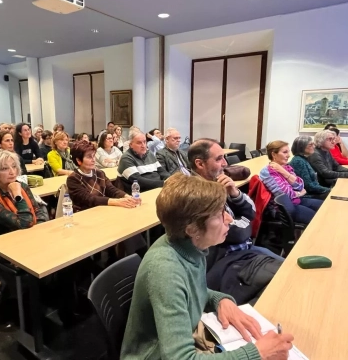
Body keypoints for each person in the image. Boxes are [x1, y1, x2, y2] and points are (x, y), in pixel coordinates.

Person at [121, 173, 295, 360]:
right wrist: (257, 353)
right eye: (220, 214)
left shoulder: (191, 246)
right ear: (192, 229)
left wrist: (219, 300)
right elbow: (180, 358)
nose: (228, 219)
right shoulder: (165, 270)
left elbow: (191, 289)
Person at [188, 139, 284, 263]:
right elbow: (239, 234)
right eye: (219, 159)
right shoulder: (198, 194)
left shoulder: (217, 181)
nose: (225, 163)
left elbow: (251, 212)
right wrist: (245, 221)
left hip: (244, 249)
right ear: (200, 164)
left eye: (224, 157)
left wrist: (235, 193)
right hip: (229, 258)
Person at [66, 140, 139, 212]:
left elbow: (111, 190)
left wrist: (127, 197)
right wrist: (117, 202)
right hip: (85, 214)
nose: (93, 160)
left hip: (102, 210)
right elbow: (89, 199)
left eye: (93, 156)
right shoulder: (73, 179)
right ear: (79, 160)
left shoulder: (100, 173)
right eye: (89, 157)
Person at [261, 140, 323, 224]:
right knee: (317, 218)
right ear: (274, 154)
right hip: (282, 208)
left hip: (295, 201)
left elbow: (300, 185)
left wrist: (284, 172)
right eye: (285, 152)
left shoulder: (286, 167)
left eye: (288, 151)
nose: (288, 155)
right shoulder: (267, 172)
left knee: (324, 206)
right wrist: (299, 193)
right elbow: (285, 195)